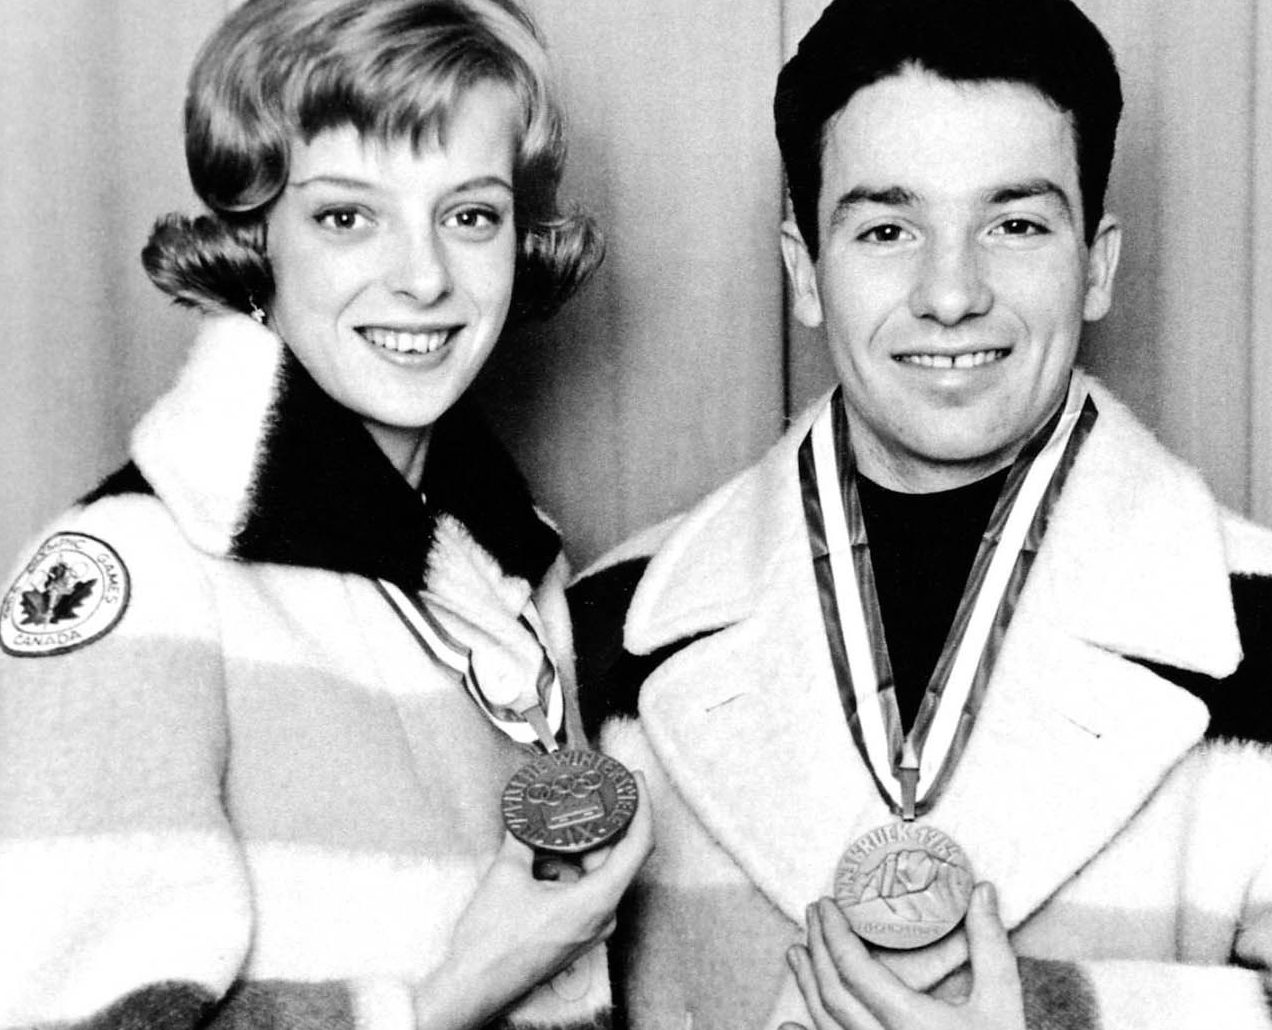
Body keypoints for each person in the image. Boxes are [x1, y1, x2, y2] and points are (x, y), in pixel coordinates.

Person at [569, 0, 1272, 1028]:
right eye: (888, 230)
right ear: (806, 271)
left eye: (1015, 225)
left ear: (1098, 265)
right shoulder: (607, 626)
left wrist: (1059, 1014)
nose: (950, 293)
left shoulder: (1260, 618)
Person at [0, 1, 651, 1027]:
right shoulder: (138, 572)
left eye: (470, 215)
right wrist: (459, 989)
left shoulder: (513, 568)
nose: (424, 278)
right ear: (254, 237)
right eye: (348, 217)